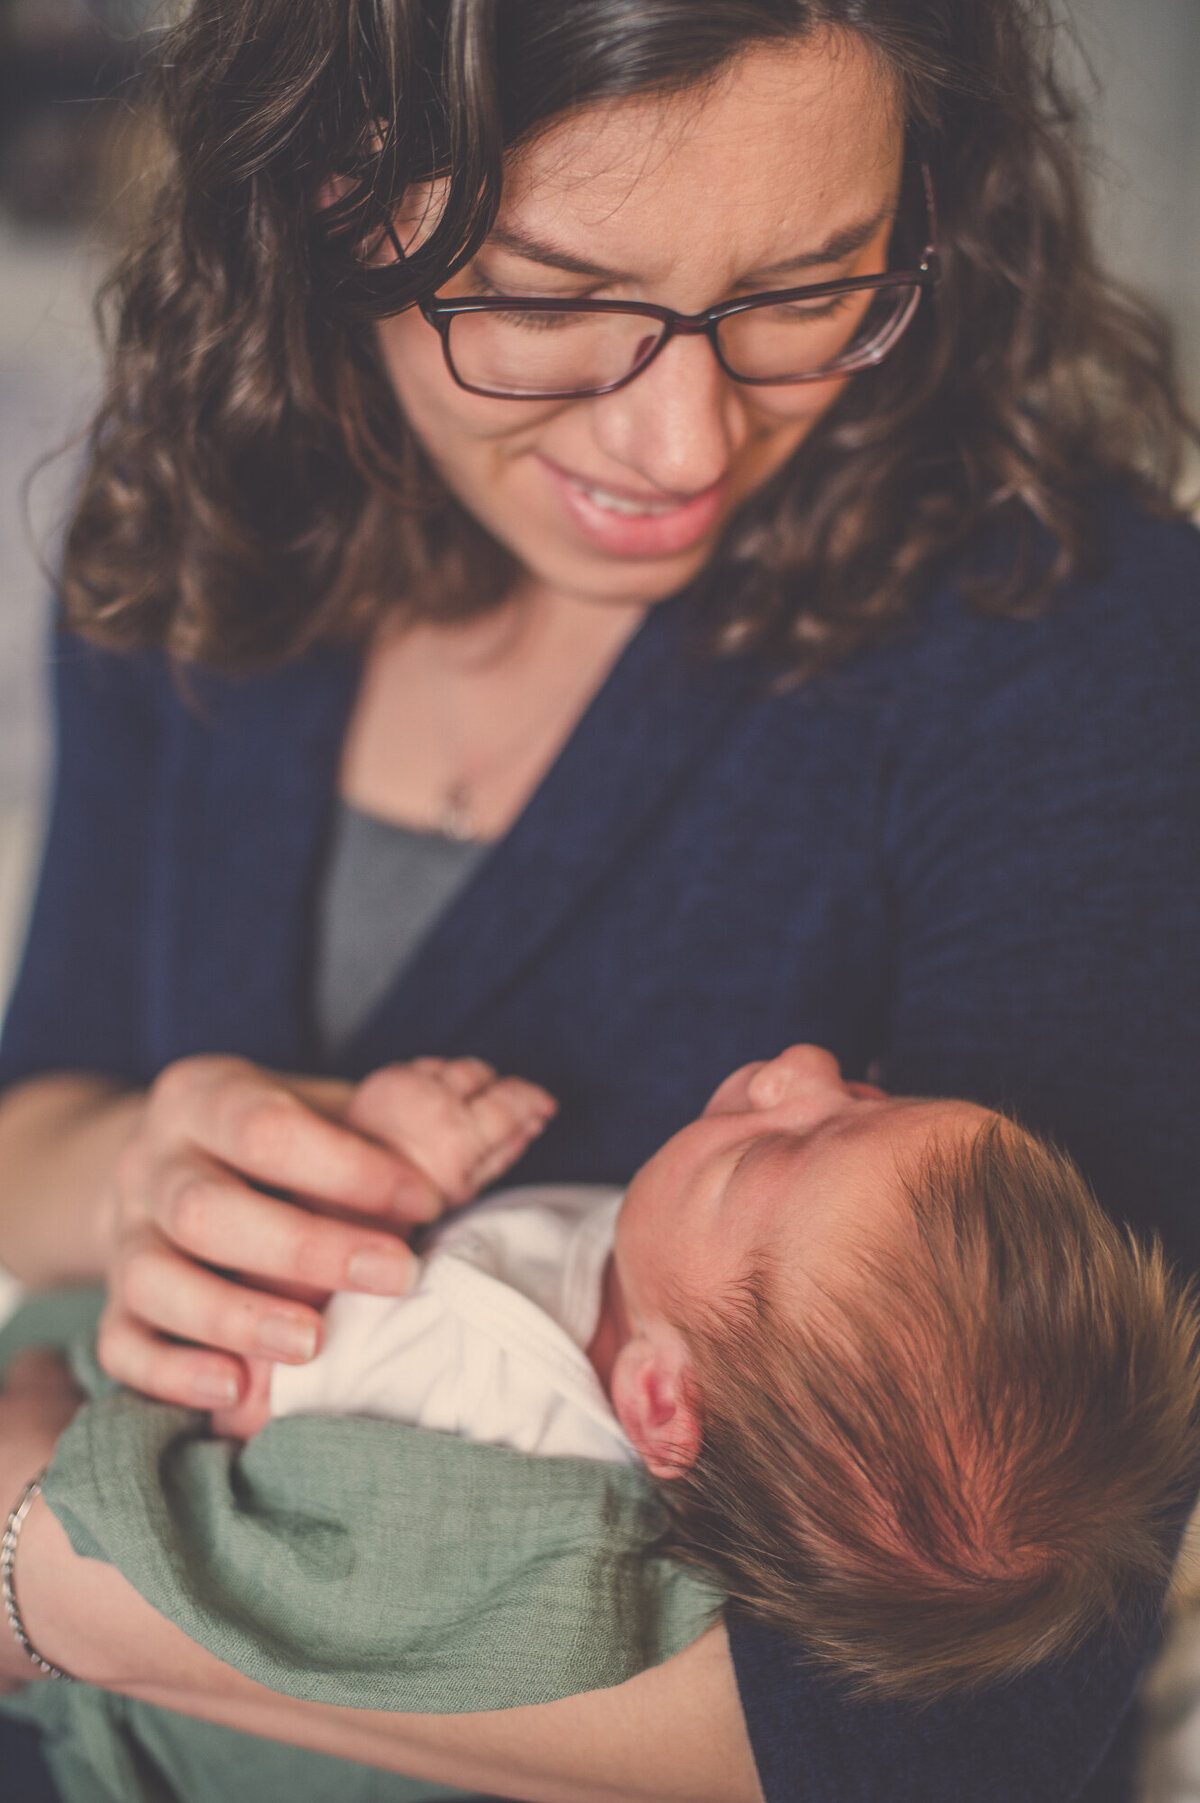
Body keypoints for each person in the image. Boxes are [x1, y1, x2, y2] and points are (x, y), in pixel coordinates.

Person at [0, 1, 1198, 1800]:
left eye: (810, 286)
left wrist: (62, 1573)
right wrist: (154, 1166)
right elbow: (36, 1118)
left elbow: (979, 1709)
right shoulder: (203, 506)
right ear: (340, 198)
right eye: (555, 302)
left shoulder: (1068, 633)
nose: (683, 442)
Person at [230, 1048, 1200, 1704]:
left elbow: (234, 1393)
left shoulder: (477, 1403)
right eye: (869, 1099)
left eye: (767, 1155)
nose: (803, 1068)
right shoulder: (670, 1287)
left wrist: (378, 1161)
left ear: (658, 1400)